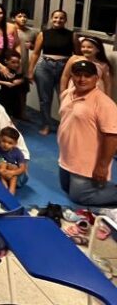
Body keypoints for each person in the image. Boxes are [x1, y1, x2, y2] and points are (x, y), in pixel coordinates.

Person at [58, 60, 117, 206]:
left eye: (87, 76)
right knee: (66, 188)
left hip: (88, 162)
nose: (82, 79)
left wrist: (102, 166)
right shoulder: (67, 94)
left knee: (79, 197)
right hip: (67, 157)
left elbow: (112, 137)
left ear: (96, 78)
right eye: (78, 75)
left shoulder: (104, 103)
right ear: (72, 76)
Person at [27, 9, 76, 135]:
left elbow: (78, 55)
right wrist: (30, 71)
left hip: (65, 69)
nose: (58, 20)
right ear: (51, 19)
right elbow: (36, 53)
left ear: (65, 20)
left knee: (65, 99)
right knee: (45, 99)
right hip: (45, 68)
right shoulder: (43, 34)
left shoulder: (72, 35)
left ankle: (66, 127)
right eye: (55, 17)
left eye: (61, 18)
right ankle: (46, 124)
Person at [0, 127, 27, 194]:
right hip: (2, 175)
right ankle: (5, 187)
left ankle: (11, 192)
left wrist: (12, 172)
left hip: (18, 178)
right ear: (0, 138)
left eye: (10, 143)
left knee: (13, 167)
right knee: (2, 162)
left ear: (15, 143)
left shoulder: (17, 152)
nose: (6, 144)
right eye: (4, 141)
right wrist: (0, 171)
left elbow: (22, 168)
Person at [0, 51, 29, 120]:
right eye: (13, 62)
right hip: (4, 96)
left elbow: (25, 79)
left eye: (17, 62)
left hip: (16, 97)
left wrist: (20, 81)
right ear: (6, 61)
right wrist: (5, 83)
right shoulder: (3, 71)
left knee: (14, 114)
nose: (16, 65)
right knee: (4, 114)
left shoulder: (18, 71)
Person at [12, 9, 36, 82]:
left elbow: (35, 48)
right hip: (10, 64)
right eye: (19, 16)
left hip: (24, 65)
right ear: (13, 18)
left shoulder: (32, 32)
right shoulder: (9, 30)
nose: (23, 18)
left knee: (23, 86)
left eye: (25, 17)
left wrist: (31, 46)